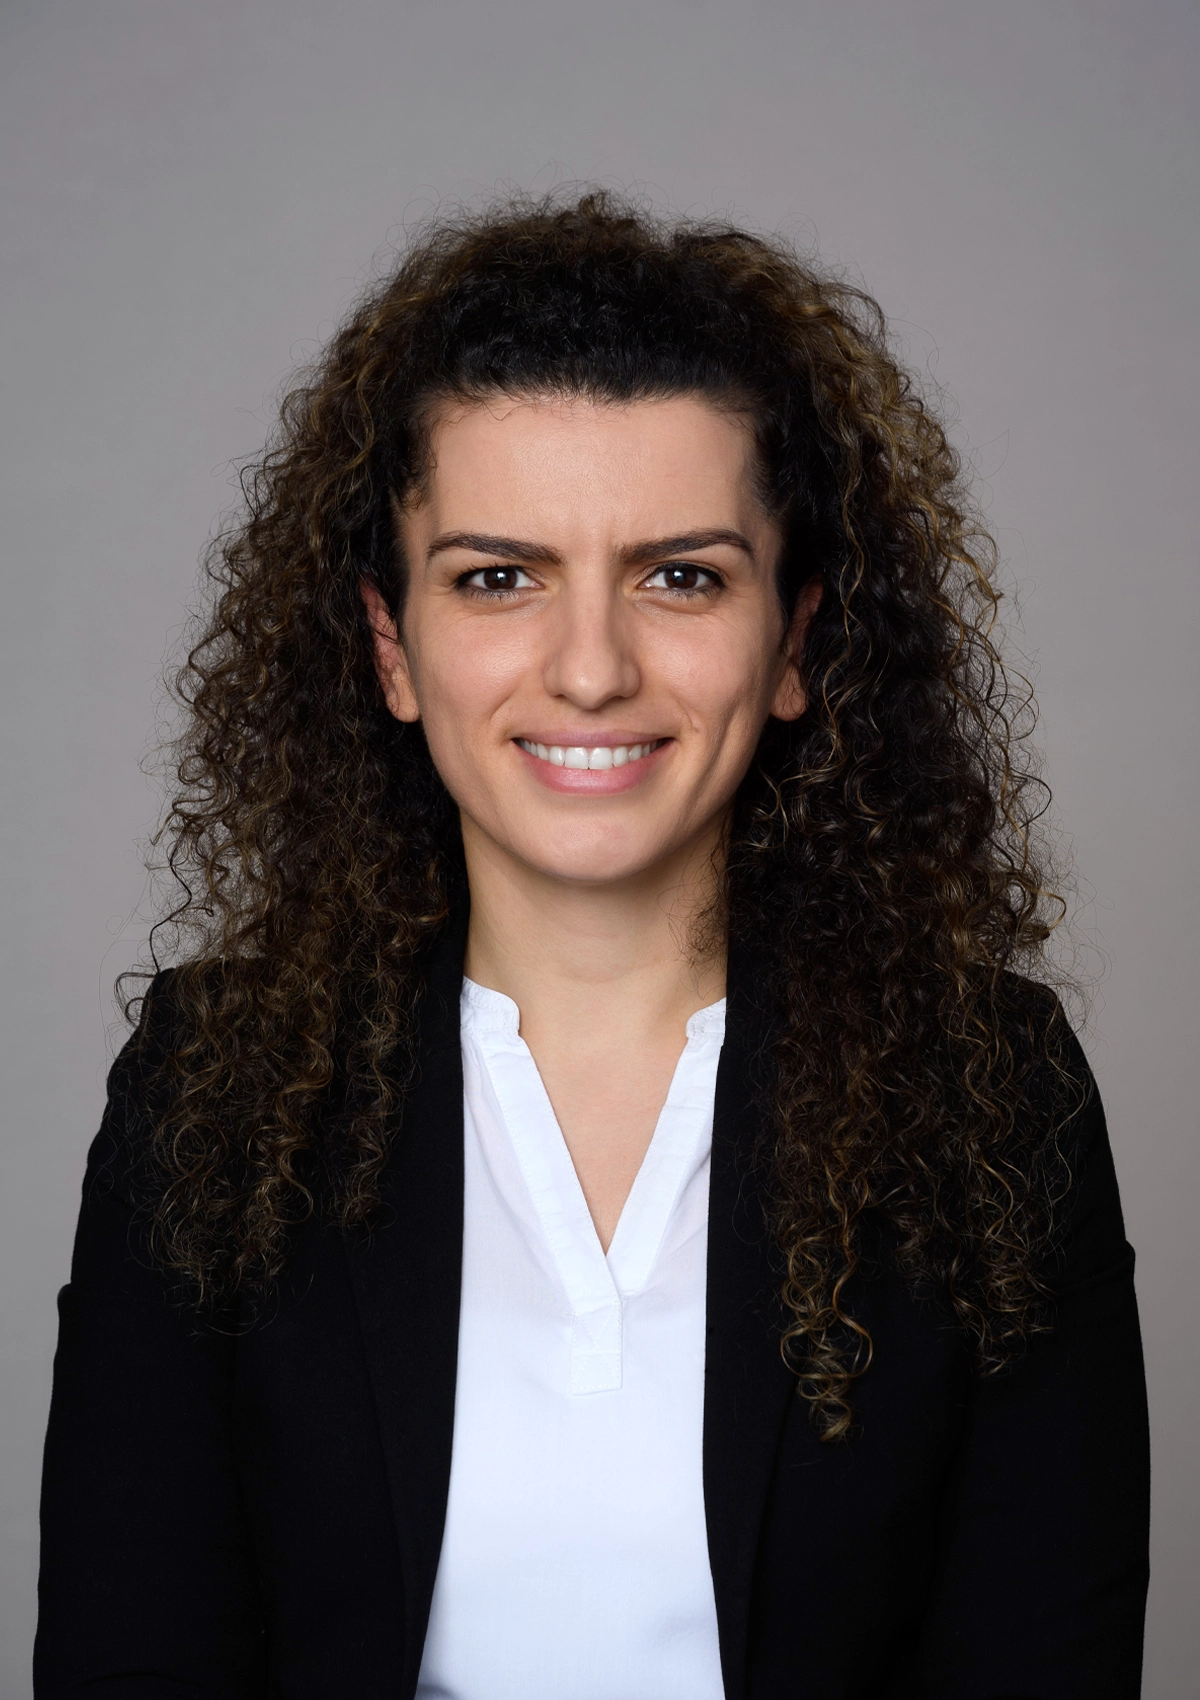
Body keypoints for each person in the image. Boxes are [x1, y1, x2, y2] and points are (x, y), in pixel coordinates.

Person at [35, 191, 1149, 1700]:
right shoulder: (211, 1095)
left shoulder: (992, 1094)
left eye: (680, 574)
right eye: (498, 576)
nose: (590, 667)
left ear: (798, 644)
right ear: (392, 651)